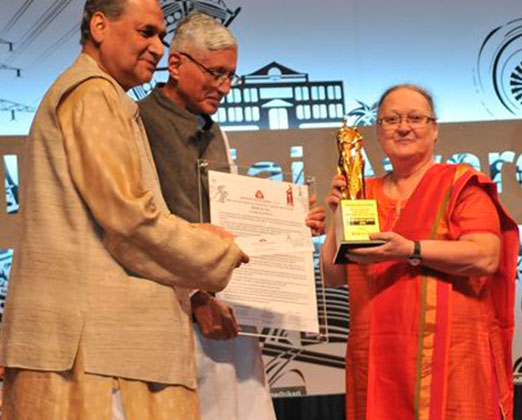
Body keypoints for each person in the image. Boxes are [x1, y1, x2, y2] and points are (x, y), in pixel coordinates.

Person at [0, 1, 247, 419]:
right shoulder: (92, 93)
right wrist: (214, 252)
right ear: (99, 26)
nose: (157, 47)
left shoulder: (100, 93)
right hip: (97, 358)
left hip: (96, 351)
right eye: (146, 32)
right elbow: (128, 219)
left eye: (162, 37)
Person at [137, 12, 325, 420]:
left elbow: (231, 216)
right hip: (172, 313)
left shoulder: (215, 130)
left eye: (230, 76)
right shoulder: (138, 124)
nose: (224, 87)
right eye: (215, 73)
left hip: (231, 312)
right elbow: (141, 229)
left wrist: (289, 226)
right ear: (176, 64)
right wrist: (195, 298)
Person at [320, 84, 519, 420]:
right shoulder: (363, 191)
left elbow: (485, 256)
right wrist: (337, 216)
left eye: (416, 118)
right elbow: (333, 274)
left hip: (449, 356)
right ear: (378, 131)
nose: (403, 127)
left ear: (435, 129)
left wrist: (411, 250)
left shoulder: (461, 184)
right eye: (391, 119)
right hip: (380, 357)